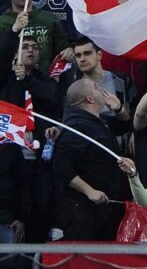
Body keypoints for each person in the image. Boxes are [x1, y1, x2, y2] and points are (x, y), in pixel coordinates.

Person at [52, 78, 129, 240]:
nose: (101, 89)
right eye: (96, 87)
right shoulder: (77, 127)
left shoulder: (98, 122)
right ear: (90, 98)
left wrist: (119, 108)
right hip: (81, 211)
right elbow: (61, 165)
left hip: (102, 210)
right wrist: (89, 191)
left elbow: (124, 126)